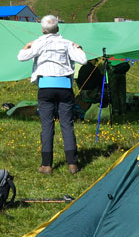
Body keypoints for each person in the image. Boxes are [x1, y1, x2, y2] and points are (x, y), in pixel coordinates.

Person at [18, 15, 88, 174]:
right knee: (67, 124)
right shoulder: (66, 43)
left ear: (43, 29)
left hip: (45, 87)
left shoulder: (38, 43)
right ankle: (72, 164)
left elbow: (21, 57)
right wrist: (78, 48)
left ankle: (47, 165)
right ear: (58, 28)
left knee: (47, 125)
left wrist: (27, 46)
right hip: (64, 87)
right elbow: (83, 60)